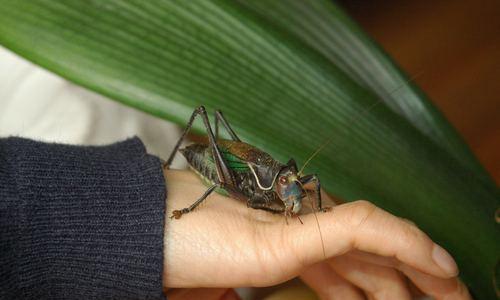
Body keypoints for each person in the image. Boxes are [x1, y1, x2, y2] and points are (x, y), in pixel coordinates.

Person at [0, 136, 471, 300]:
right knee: (208, 116)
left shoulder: (293, 185)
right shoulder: (251, 182)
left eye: (292, 190)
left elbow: (303, 183)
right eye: (290, 190)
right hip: (220, 172)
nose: (293, 194)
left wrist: (302, 200)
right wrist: (157, 200)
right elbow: (224, 176)